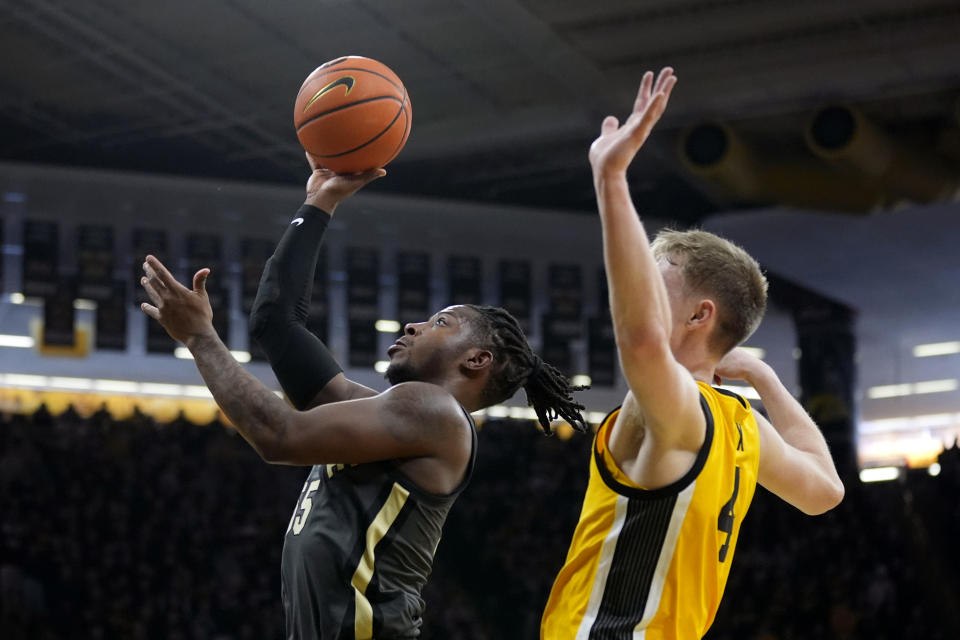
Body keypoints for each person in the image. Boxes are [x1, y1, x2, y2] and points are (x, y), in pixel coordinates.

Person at [138, 155, 586, 640]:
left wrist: (202, 339)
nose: (414, 324)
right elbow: (276, 323)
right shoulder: (391, 414)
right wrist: (319, 202)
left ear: (476, 361)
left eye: (441, 322)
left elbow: (277, 436)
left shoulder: (434, 413)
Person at [540, 68, 845, 639]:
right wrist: (765, 378)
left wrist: (611, 181)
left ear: (699, 316)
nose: (637, 299)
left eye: (654, 287)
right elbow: (825, 492)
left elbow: (641, 339)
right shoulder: (744, 426)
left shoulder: (678, 410)